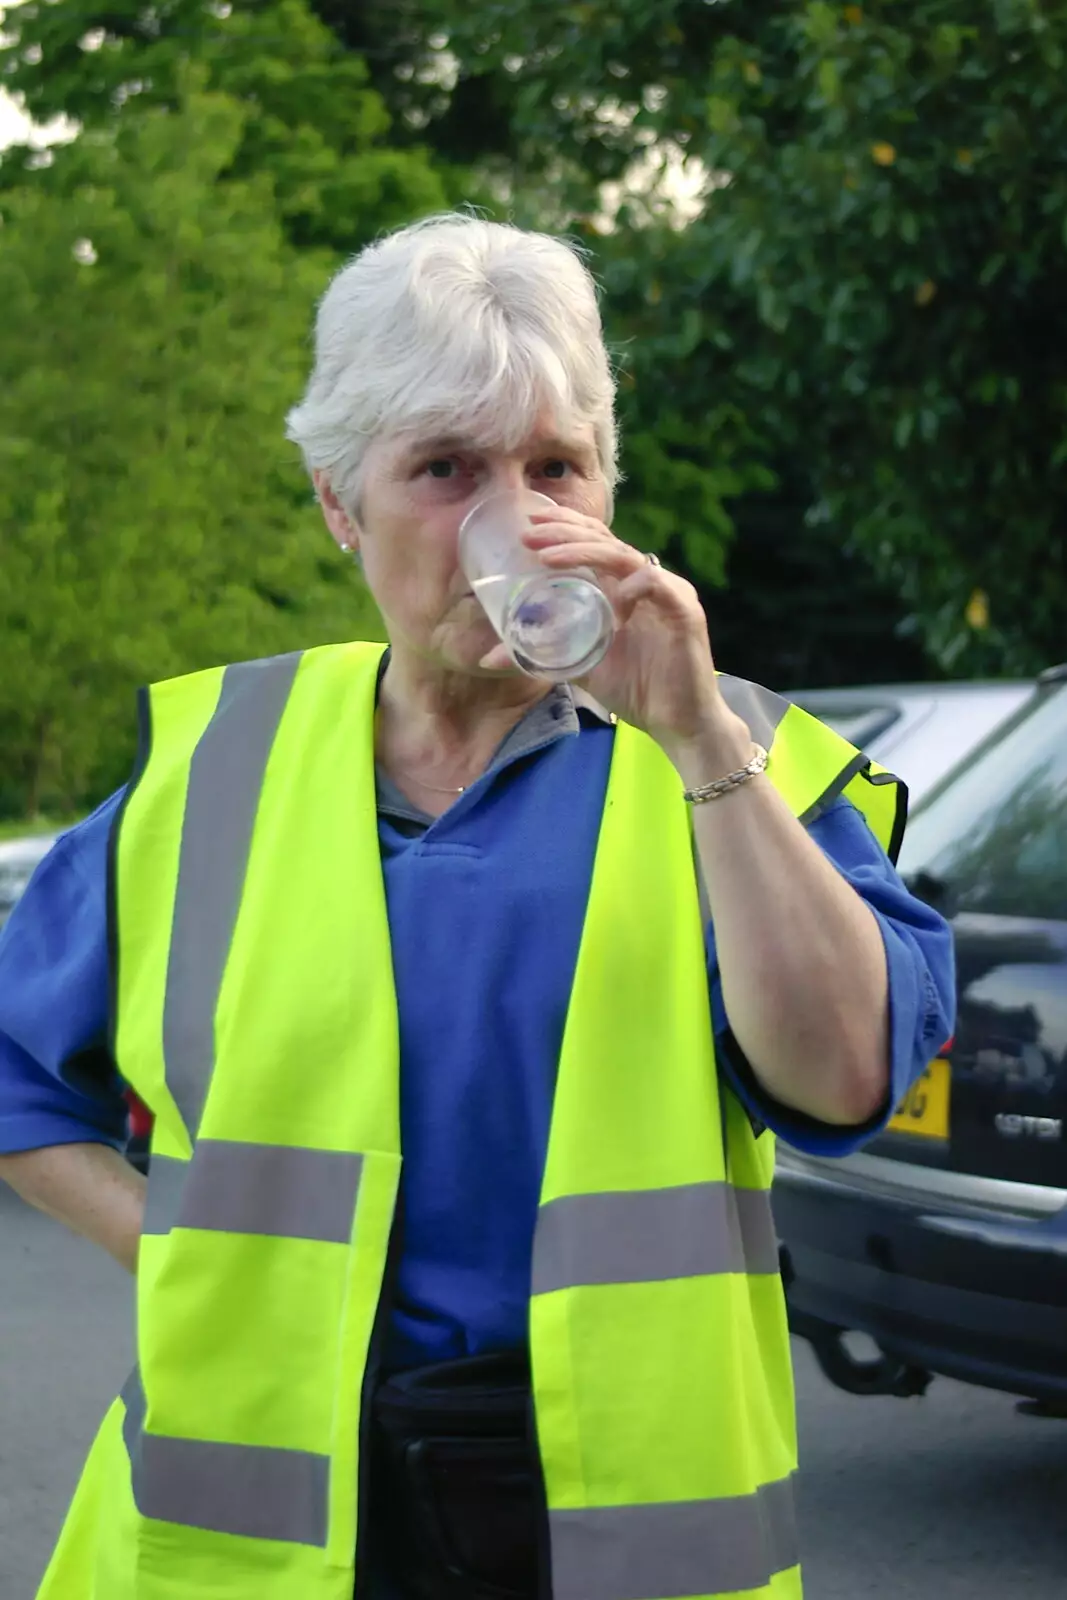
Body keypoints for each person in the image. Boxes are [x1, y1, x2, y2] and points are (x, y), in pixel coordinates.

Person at [0, 213, 954, 1600]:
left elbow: (843, 1083)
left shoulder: (738, 764)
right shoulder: (213, 776)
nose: (512, 520)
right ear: (341, 506)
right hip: (250, 1535)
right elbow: (18, 1075)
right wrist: (182, 1252)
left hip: (603, 1526)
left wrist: (698, 747)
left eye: (552, 466)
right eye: (444, 469)